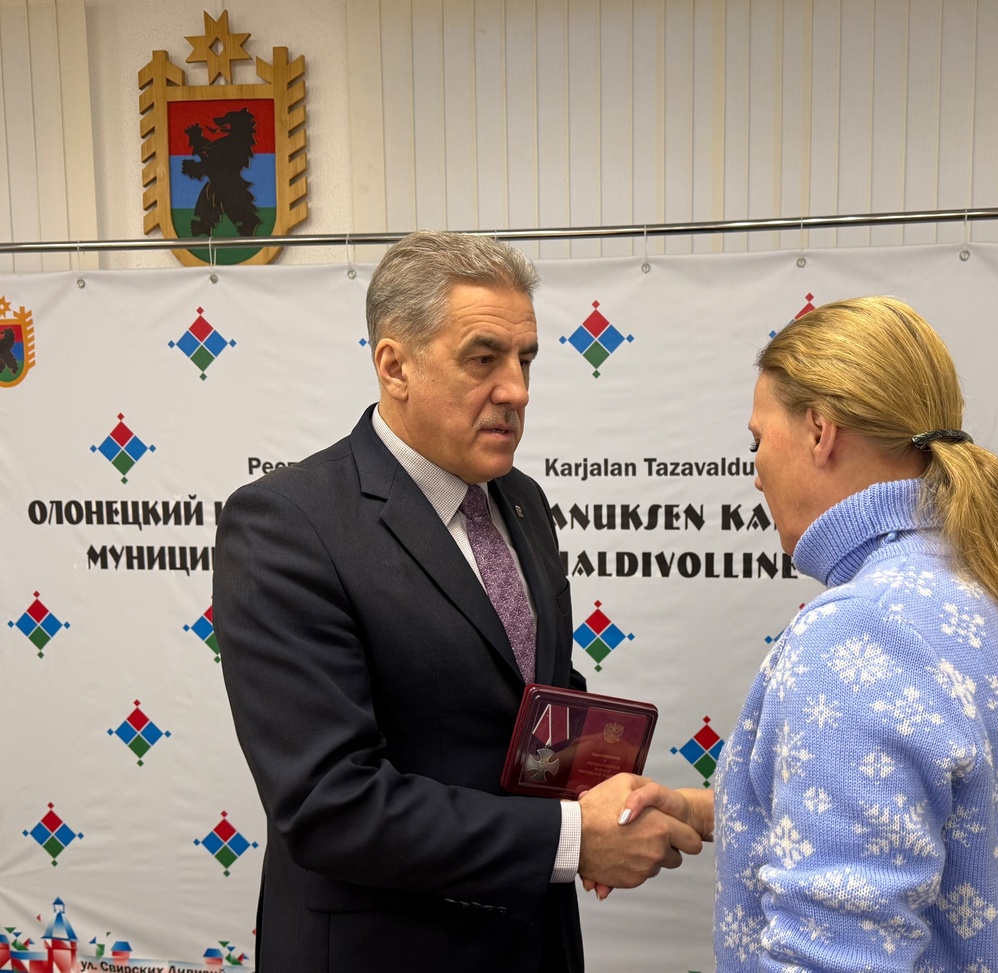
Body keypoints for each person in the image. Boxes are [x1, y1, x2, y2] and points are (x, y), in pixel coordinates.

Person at [213, 230, 702, 973]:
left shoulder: (523, 501)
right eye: (483, 359)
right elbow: (328, 804)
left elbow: (535, 705)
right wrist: (574, 839)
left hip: (534, 941)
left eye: (525, 359)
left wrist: (618, 803)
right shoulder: (288, 524)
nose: (517, 390)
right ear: (395, 365)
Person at [620, 296, 998, 972]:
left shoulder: (860, 631)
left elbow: (834, 956)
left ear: (820, 430)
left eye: (758, 441)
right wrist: (708, 807)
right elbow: (931, 827)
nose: (755, 472)